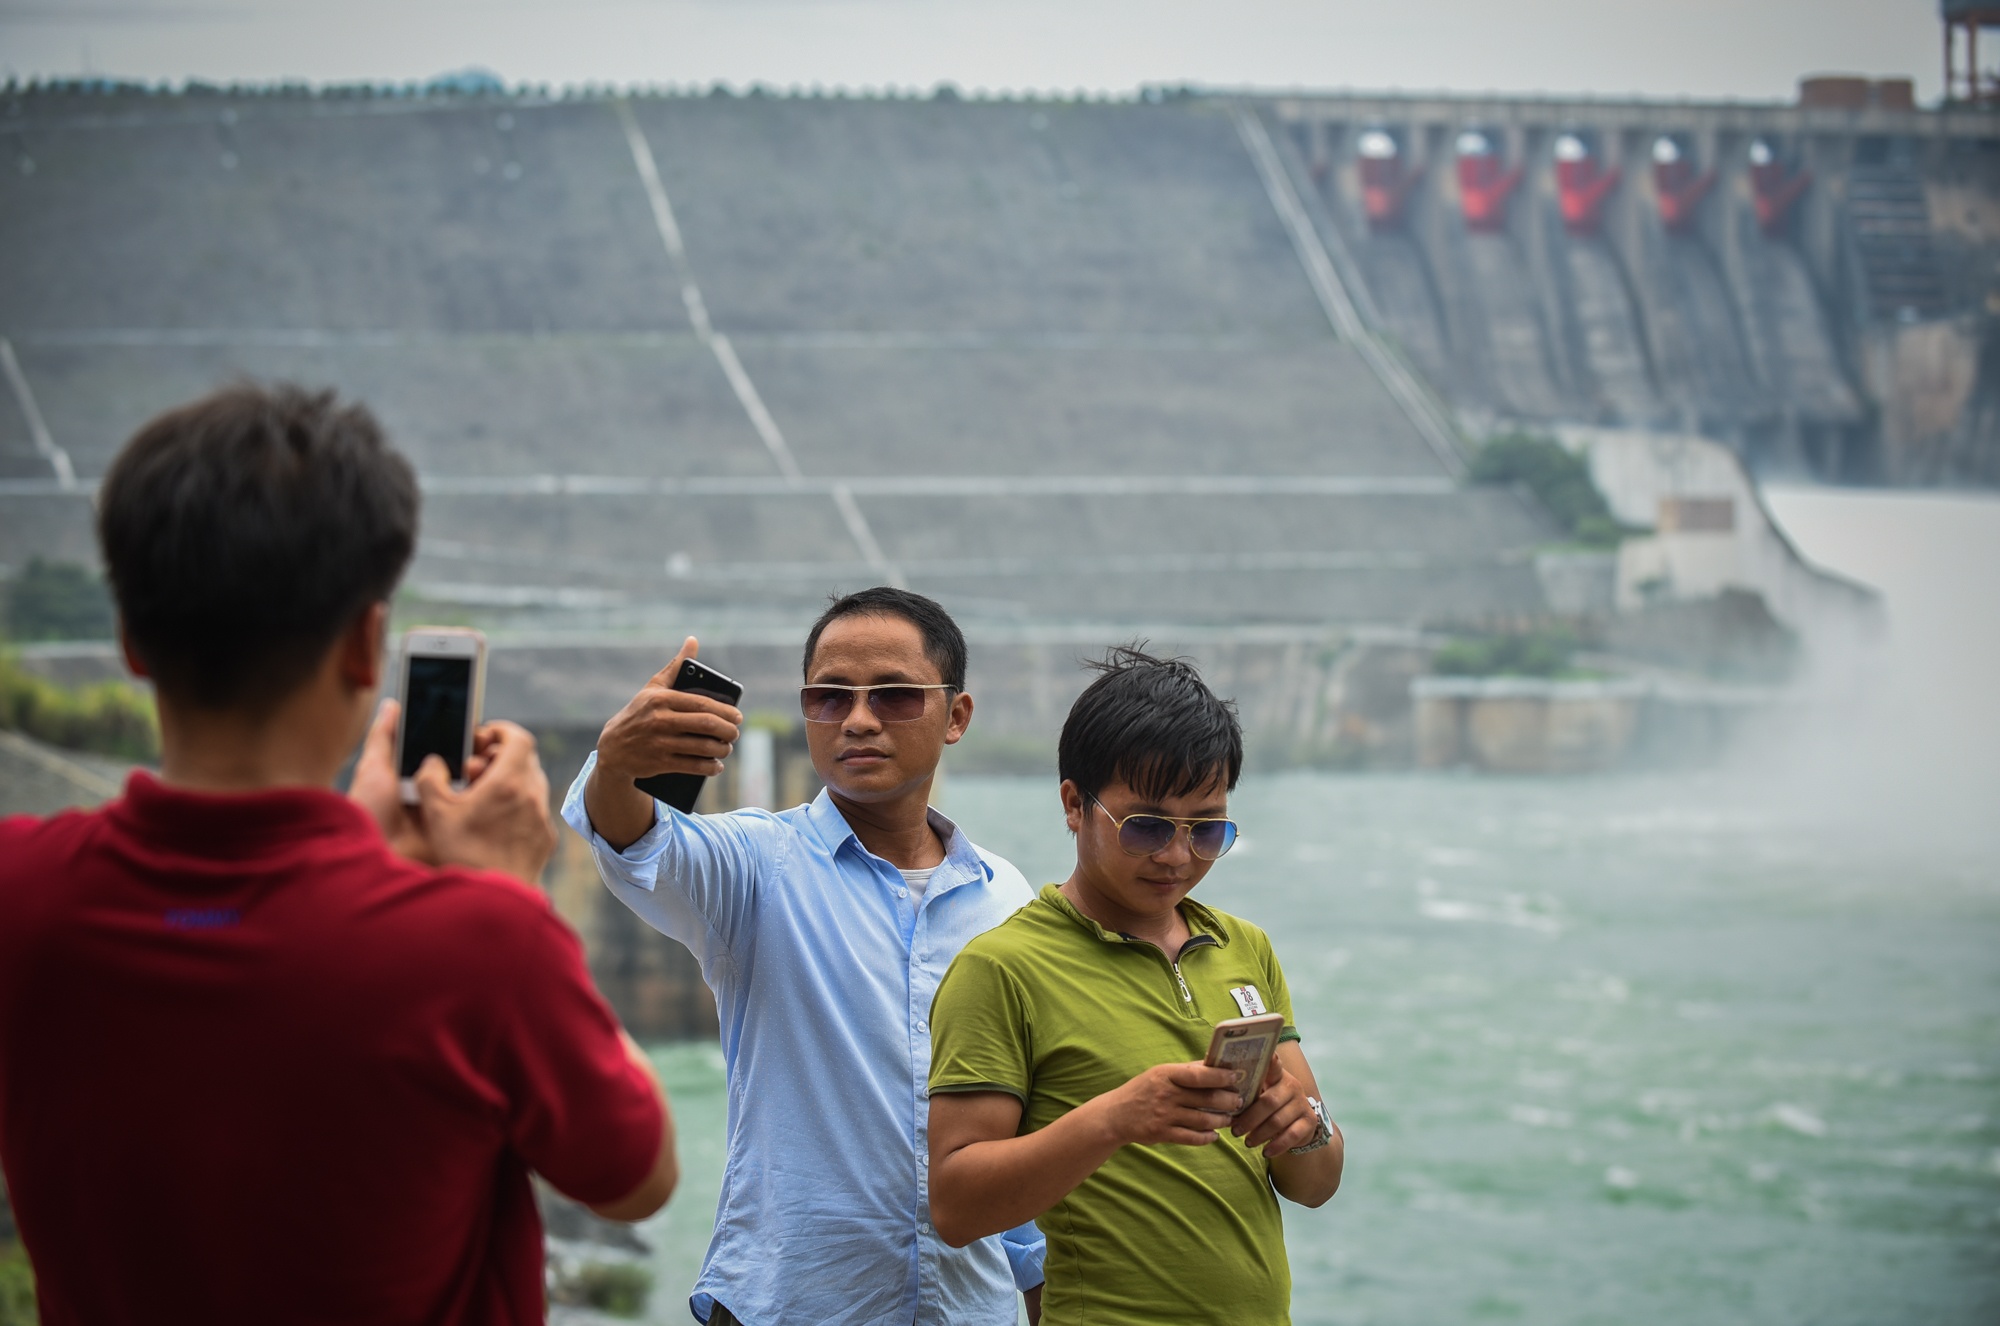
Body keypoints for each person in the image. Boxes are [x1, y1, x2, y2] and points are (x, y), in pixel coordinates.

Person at [0, 384, 677, 1324]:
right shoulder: (487, 944)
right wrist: (510, 890)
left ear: (131, 644)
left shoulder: (23, 891)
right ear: (367, 645)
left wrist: (361, 855)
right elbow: (639, 1176)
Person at [566, 586, 1045, 1325]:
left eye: (894, 696)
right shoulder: (756, 864)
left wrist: (1038, 1282)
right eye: (830, 696)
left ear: (957, 716)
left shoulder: (1003, 895)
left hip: (971, 1309)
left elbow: (1013, 1121)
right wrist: (615, 766)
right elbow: (636, 841)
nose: (858, 719)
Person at [925, 648, 1344, 1325]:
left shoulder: (1245, 949)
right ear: (1074, 805)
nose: (1176, 856)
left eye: (1206, 828)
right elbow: (955, 1207)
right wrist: (1117, 1118)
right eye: (1146, 826)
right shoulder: (1002, 968)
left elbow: (1317, 1184)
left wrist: (1304, 1128)